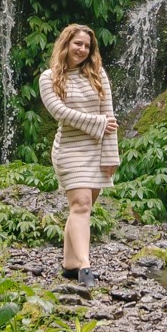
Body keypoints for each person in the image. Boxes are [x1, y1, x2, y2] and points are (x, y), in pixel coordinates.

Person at [38, 23, 119, 284]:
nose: (82, 49)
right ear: (66, 44)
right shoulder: (48, 78)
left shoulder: (98, 74)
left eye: (87, 46)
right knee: (81, 204)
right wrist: (97, 124)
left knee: (81, 208)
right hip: (69, 149)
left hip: (96, 151)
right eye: (78, 44)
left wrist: (111, 157)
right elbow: (60, 112)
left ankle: (70, 263)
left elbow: (110, 118)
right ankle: (85, 266)